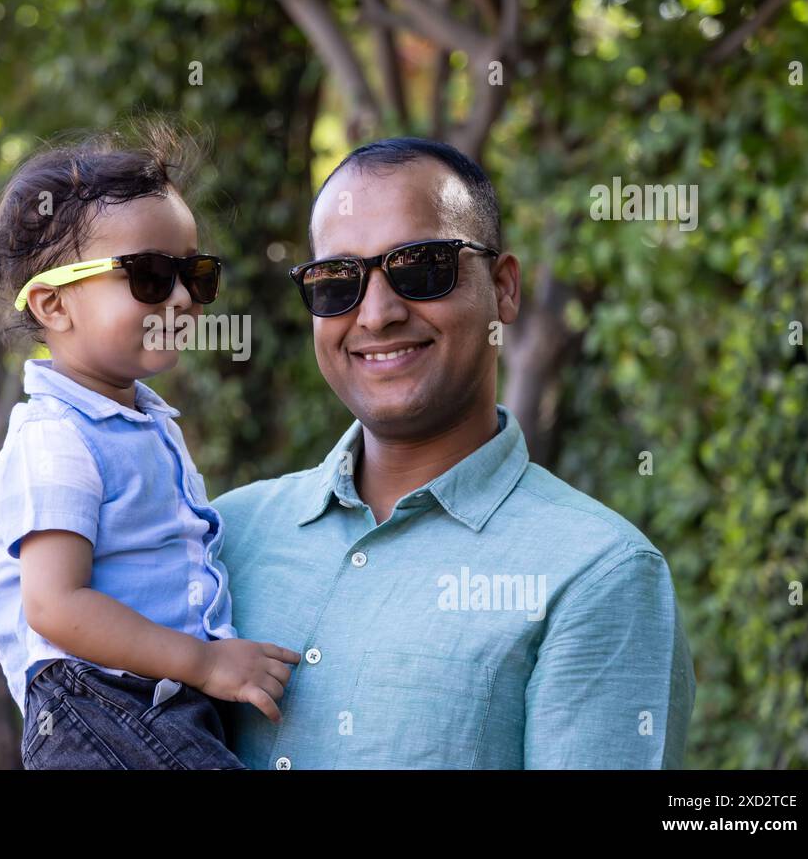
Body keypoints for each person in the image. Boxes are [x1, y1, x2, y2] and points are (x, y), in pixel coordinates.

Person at [213, 137, 697, 769]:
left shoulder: (598, 576)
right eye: (338, 280)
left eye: (421, 267)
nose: (377, 314)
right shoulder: (221, 534)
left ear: (503, 288)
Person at [0, 123, 299, 769]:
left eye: (195, 273)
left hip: (150, 701)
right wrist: (205, 661)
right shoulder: (56, 438)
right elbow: (56, 605)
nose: (182, 298)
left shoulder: (137, 418)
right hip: (95, 703)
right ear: (54, 305)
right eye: (148, 277)